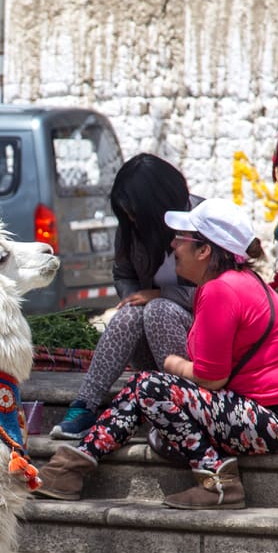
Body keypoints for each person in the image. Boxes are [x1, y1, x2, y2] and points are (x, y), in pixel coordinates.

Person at [34, 199, 278, 509]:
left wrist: (173, 364)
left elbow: (212, 377)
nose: (173, 245)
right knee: (146, 386)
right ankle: (68, 469)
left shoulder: (221, 290)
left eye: (182, 238)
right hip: (269, 415)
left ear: (204, 250)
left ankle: (218, 483)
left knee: (150, 386)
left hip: (276, 421)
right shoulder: (238, 282)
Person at [51, 154, 199, 439]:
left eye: (135, 212)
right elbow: (123, 274)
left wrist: (160, 294)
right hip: (152, 349)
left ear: (158, 204)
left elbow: (223, 292)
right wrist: (133, 297)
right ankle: (85, 406)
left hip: (199, 353)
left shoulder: (203, 222)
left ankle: (182, 408)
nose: (131, 219)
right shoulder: (132, 229)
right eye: (126, 213)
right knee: (133, 312)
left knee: (159, 308)